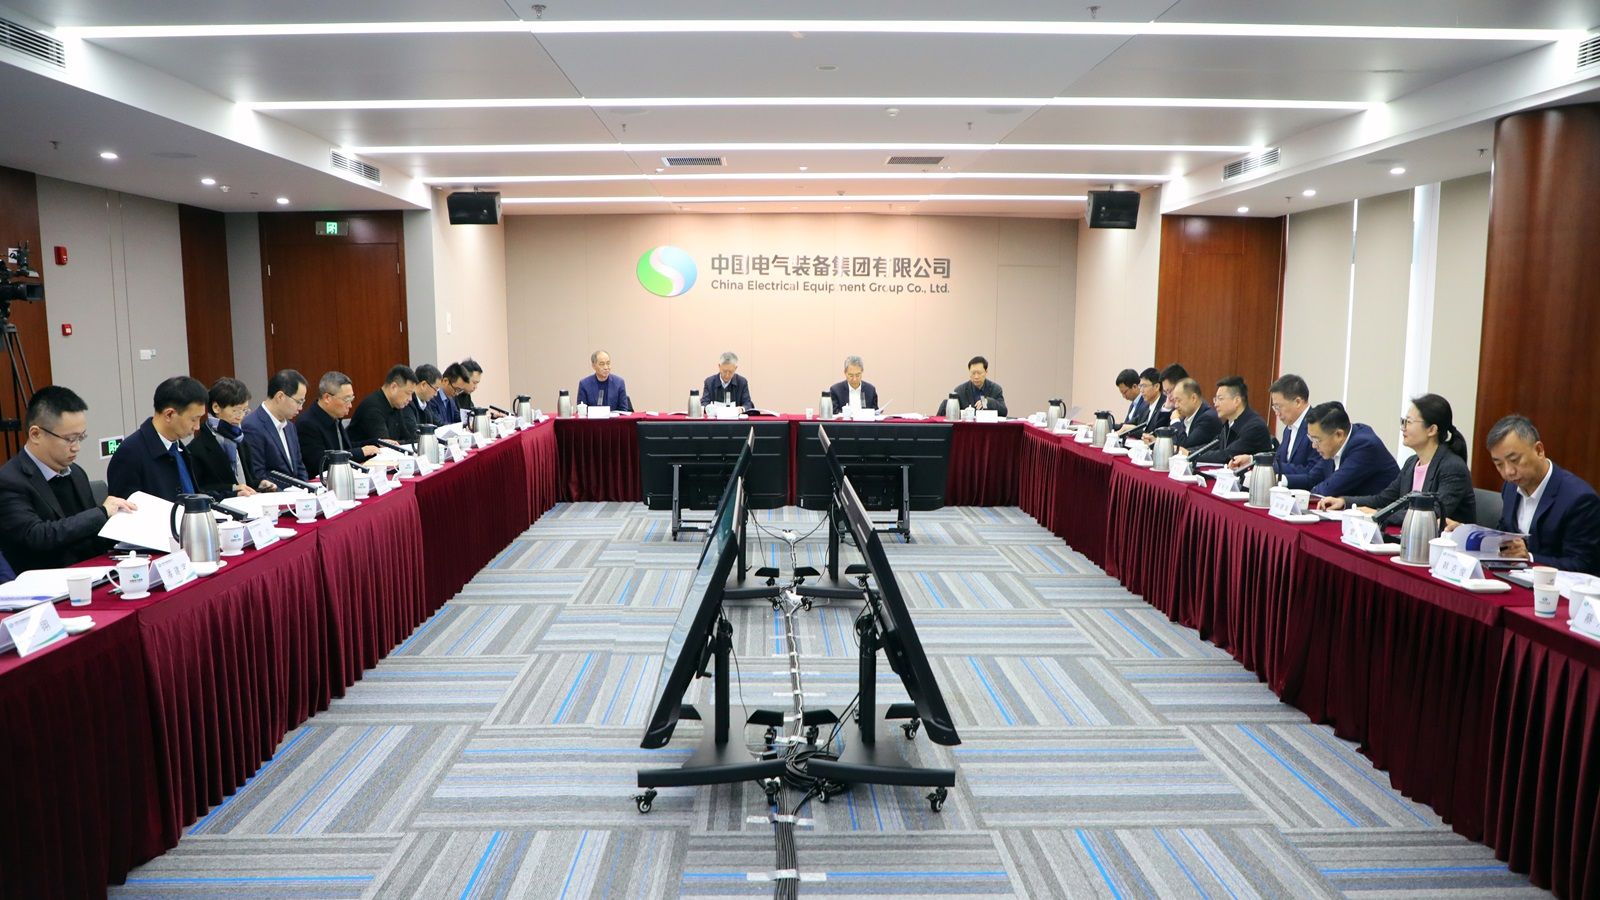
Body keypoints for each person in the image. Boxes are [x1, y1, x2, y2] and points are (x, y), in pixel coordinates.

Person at [0, 386, 136, 572]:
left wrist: (122, 526)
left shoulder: (76, 473)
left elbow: (90, 534)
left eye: (81, 437)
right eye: (70, 439)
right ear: (36, 434)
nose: (76, 447)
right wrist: (101, 513)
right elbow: (37, 536)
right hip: (45, 580)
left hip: (92, 573)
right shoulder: (9, 481)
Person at [1318, 393, 1474, 525]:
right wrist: (1344, 502)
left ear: (1432, 430)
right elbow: (1383, 499)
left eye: (1409, 422)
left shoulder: (1452, 467)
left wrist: (1377, 514)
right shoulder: (1412, 463)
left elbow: (1431, 515)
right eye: (1403, 421)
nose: (1403, 428)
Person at [1484, 415, 1600, 575]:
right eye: (1499, 464)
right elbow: (1505, 535)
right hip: (1515, 578)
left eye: (1514, 460)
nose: (1508, 472)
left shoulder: (1580, 499)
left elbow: (1582, 564)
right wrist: (1468, 534)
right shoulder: (1510, 488)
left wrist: (1530, 558)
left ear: (1539, 450)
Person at [107, 376, 211, 502]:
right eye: (194, 419)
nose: (197, 426)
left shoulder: (177, 448)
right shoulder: (130, 453)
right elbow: (124, 509)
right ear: (169, 414)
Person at [1289, 401, 1399, 498]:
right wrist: (1282, 481)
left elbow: (1330, 489)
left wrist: (1304, 497)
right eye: (1311, 439)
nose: (1313, 445)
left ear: (1339, 435)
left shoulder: (1364, 446)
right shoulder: (1332, 446)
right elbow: (1312, 478)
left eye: (1317, 440)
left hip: (1379, 512)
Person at [186, 377, 259, 498]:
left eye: (245, 411)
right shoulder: (196, 449)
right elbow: (200, 490)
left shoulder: (240, 439)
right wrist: (233, 490)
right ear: (216, 407)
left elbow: (248, 481)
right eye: (236, 411)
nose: (240, 416)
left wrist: (260, 484)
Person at [1231, 374, 1316, 475]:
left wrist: (1280, 478)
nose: (1276, 413)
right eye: (1274, 407)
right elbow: (1279, 459)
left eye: (1278, 407)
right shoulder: (1289, 428)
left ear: (1297, 402)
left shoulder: (1316, 426)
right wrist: (1251, 460)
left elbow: (1313, 472)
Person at [297, 371, 380, 474]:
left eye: (351, 399)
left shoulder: (334, 416)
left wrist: (377, 443)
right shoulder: (307, 424)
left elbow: (345, 448)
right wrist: (361, 452)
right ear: (327, 398)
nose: (350, 405)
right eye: (346, 400)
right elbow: (320, 463)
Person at [243, 369, 310, 484]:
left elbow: (299, 467)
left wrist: (305, 489)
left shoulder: (290, 427)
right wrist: (290, 492)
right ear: (280, 396)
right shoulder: (252, 426)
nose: (300, 408)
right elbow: (258, 475)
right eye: (299, 402)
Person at [349, 365, 420, 447]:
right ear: (393, 387)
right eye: (408, 393)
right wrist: (405, 443)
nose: (410, 399)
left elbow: (409, 438)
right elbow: (386, 446)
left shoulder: (396, 405)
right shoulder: (372, 408)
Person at [1152, 377, 1220, 451]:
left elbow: (1183, 447)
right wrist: (1157, 442)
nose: (1176, 406)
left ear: (1193, 398)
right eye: (1175, 401)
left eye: (1179, 400)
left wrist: (1175, 421)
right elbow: (1174, 442)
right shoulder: (1185, 414)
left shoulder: (1208, 418)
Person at [943, 356, 1007, 417]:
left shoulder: (995, 389)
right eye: (973, 373)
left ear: (986, 371)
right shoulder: (960, 391)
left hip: (988, 424)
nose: (976, 377)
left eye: (979, 373)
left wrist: (987, 402)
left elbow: (1004, 412)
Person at [1120, 367, 1168, 436]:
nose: (1141, 390)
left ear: (1157, 387)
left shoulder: (1165, 407)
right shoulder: (1144, 407)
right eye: (1140, 386)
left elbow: (1155, 434)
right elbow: (1130, 424)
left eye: (1144, 386)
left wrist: (1134, 430)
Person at [429, 362, 467, 426]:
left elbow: (457, 416)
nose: (457, 394)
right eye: (456, 389)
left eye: (460, 391)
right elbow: (439, 423)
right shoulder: (432, 398)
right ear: (445, 381)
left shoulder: (450, 398)